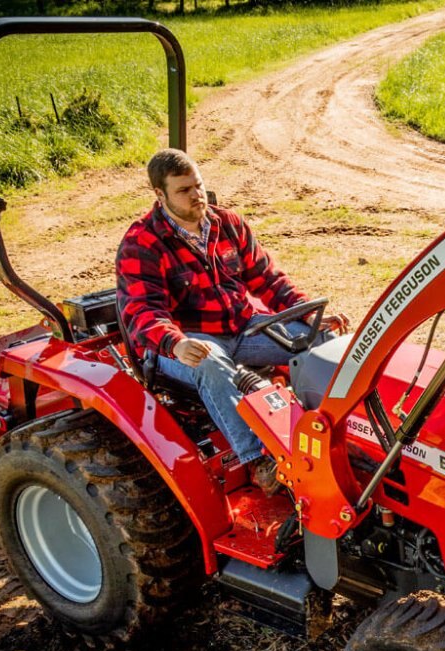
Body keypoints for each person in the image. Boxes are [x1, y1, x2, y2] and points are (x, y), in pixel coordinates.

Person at [116, 149, 348, 494]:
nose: (196, 195)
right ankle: (259, 461)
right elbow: (142, 311)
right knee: (210, 362)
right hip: (184, 344)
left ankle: (339, 430)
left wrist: (308, 313)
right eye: (183, 190)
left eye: (198, 185)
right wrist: (175, 343)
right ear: (159, 195)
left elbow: (268, 280)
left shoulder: (228, 224)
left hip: (242, 327)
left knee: (318, 341)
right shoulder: (142, 243)